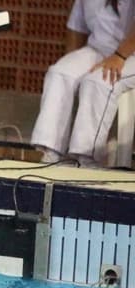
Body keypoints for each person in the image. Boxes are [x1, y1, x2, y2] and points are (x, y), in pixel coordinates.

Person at [30, 0, 135, 167]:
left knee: (98, 82)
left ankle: (87, 159)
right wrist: (72, 65)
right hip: (99, 49)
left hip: (130, 55)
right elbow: (76, 27)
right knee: (60, 73)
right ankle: (52, 153)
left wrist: (119, 56)